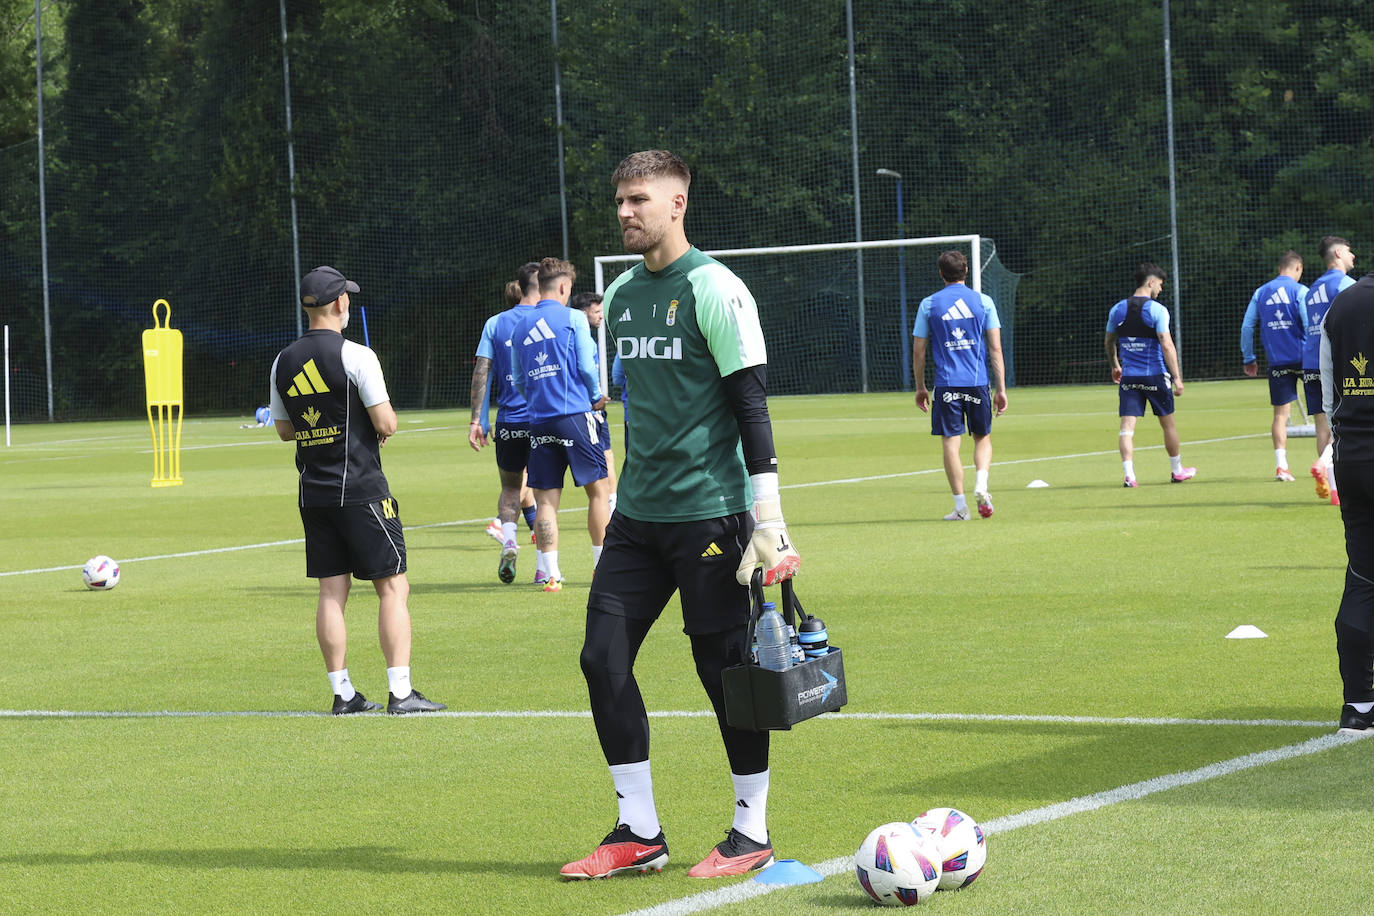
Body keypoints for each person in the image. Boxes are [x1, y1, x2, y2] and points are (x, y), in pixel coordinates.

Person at [560, 149, 800, 882]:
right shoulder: (625, 293)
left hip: (712, 515)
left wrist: (769, 517)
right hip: (637, 515)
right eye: (620, 202)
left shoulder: (717, 289)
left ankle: (750, 831)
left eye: (639, 200)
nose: (626, 212)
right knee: (601, 658)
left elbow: (750, 406)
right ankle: (639, 832)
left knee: (722, 671)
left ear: (677, 204)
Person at [269, 266, 445, 716]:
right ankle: (401, 692)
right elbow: (386, 422)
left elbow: (286, 431)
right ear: (340, 304)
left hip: (314, 492)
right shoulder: (357, 355)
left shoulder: (282, 360)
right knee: (393, 586)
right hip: (362, 489)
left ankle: (343, 693)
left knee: (332, 592)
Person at [510, 258, 611, 593]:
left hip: (539, 420)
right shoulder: (573, 318)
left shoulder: (520, 326)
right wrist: (596, 395)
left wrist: (538, 398)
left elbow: (520, 380)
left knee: (546, 500)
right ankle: (602, 568)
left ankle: (551, 574)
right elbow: (585, 364)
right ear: (565, 286)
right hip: (575, 415)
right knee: (599, 491)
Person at [1317, 261, 1374, 733]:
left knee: (1362, 576)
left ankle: (1358, 702)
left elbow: (1325, 383)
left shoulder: (1343, 302)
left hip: (1351, 456)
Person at [912, 250, 1008, 520]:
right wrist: (1000, 389)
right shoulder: (985, 302)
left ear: (940, 273)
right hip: (978, 383)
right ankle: (981, 484)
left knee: (950, 444)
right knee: (982, 438)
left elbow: (919, 351)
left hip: (946, 385)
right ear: (966, 271)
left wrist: (920, 386)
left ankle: (960, 507)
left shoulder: (929, 304)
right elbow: (996, 349)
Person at [469, 267, 543, 584]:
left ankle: (509, 538)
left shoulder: (495, 323)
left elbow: (482, 372)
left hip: (509, 421)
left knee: (511, 488)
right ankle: (546, 568)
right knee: (545, 493)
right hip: (544, 420)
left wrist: (478, 419)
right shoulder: (550, 320)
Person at [1104, 263, 1196, 487]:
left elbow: (1109, 342)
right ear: (1151, 282)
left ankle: (1129, 475)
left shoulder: (1118, 309)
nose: (1161, 290)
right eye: (1160, 285)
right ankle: (1177, 471)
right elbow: (1166, 344)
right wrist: (1177, 377)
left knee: (1127, 427)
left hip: (1129, 378)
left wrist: (1115, 365)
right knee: (1169, 425)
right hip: (1154, 375)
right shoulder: (1157, 310)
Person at [1241, 250, 1309, 481]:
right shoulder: (1300, 291)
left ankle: (1282, 466)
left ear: (1280, 267)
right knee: (1321, 412)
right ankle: (1328, 465)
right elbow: (1310, 325)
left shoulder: (1261, 292)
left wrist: (1249, 357)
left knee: (1280, 415)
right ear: (1297, 268)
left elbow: (1247, 327)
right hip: (1305, 359)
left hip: (1278, 361)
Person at [1305, 236, 1357, 499]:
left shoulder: (1312, 289)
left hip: (1310, 362)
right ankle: (1325, 462)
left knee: (1322, 425)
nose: (1353, 256)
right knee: (1346, 421)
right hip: (1336, 363)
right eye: (1349, 251)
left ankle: (1334, 489)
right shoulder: (1347, 285)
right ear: (1338, 253)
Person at [570, 290, 619, 508]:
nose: (601, 316)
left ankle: (613, 506)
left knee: (607, 456)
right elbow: (584, 371)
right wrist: (595, 396)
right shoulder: (581, 341)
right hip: (587, 411)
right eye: (597, 311)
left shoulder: (584, 339)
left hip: (588, 409)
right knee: (601, 463)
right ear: (583, 313)